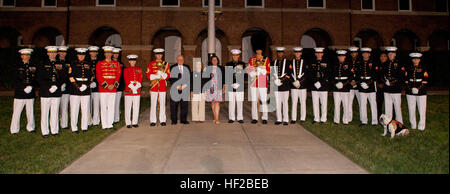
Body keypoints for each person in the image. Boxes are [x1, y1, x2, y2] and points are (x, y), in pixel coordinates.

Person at [37, 46, 66, 137]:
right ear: (48, 53)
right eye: (51, 52)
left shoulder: (60, 64)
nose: (52, 54)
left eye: (54, 53)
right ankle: (45, 131)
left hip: (56, 91)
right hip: (45, 92)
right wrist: (49, 86)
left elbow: (63, 77)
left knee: (55, 112)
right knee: (45, 112)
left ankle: (54, 130)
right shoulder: (42, 64)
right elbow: (39, 78)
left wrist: (57, 86)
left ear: (56, 53)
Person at [10, 48, 37, 134]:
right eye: (25, 55)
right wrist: (23, 88)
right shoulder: (17, 66)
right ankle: (14, 129)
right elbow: (15, 79)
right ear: (21, 56)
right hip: (20, 93)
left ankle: (31, 127)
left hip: (30, 92)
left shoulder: (33, 66)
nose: (27, 56)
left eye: (28, 55)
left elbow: (36, 78)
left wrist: (31, 86)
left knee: (30, 111)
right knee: (17, 111)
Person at [96, 46, 121, 130]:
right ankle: (104, 124)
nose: (108, 54)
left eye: (110, 53)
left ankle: (110, 123)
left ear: (112, 54)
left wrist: (113, 85)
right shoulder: (100, 63)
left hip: (113, 88)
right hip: (103, 89)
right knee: (103, 106)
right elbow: (99, 76)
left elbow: (118, 75)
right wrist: (106, 85)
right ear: (104, 54)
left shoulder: (116, 64)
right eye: (107, 53)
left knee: (111, 106)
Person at [68, 48, 92, 133]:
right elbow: (71, 76)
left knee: (85, 109)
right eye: (80, 55)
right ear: (77, 55)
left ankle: (84, 127)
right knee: (74, 109)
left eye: (83, 55)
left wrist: (86, 85)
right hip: (75, 90)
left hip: (86, 90)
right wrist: (78, 86)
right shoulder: (73, 64)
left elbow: (91, 76)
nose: (81, 56)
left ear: (85, 56)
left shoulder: (88, 64)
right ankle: (74, 127)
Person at [380, 46, 404, 123]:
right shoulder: (385, 64)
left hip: (396, 89)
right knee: (388, 108)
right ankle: (388, 123)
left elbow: (401, 76)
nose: (390, 55)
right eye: (389, 53)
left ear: (395, 54)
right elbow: (381, 75)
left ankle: (399, 123)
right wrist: (385, 81)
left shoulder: (399, 64)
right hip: (387, 90)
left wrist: (392, 82)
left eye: (392, 53)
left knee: (397, 107)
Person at [146, 48, 170, 126]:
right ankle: (153, 120)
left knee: (163, 103)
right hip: (154, 86)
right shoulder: (151, 64)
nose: (159, 56)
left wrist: (162, 74)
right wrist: (155, 76)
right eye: (157, 54)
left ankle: (162, 120)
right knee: (153, 103)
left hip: (162, 86)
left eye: (160, 54)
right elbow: (148, 74)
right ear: (155, 55)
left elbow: (168, 75)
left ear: (162, 55)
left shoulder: (166, 64)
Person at [405, 52, 429, 131]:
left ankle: (421, 126)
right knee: (411, 108)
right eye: (414, 59)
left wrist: (418, 89)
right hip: (410, 91)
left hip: (421, 92)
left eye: (417, 59)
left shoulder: (423, 68)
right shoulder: (408, 68)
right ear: (412, 60)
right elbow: (406, 80)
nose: (415, 60)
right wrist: (411, 88)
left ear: (419, 60)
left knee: (421, 109)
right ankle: (413, 125)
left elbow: (425, 80)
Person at [247, 47, 270, 124]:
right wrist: (254, 73)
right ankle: (254, 117)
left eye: (260, 49)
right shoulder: (251, 60)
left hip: (263, 83)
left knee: (263, 101)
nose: (259, 51)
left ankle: (264, 117)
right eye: (257, 49)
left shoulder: (266, 59)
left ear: (262, 50)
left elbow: (268, 70)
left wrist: (262, 70)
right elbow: (249, 71)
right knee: (254, 101)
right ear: (256, 50)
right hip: (254, 83)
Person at [356, 48, 378, 126]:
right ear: (362, 54)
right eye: (364, 53)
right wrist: (361, 83)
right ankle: (364, 121)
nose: (365, 55)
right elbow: (357, 74)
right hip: (362, 85)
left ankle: (374, 121)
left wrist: (368, 84)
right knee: (362, 103)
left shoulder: (373, 63)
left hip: (371, 85)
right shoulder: (359, 63)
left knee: (373, 103)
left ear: (369, 54)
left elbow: (375, 75)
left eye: (367, 53)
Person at [310, 47, 330, 124]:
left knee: (323, 103)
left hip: (323, 85)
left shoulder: (326, 62)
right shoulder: (312, 62)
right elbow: (310, 73)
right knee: (315, 102)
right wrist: (315, 82)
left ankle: (323, 118)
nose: (319, 55)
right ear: (315, 54)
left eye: (320, 53)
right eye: (317, 53)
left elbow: (328, 74)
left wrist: (321, 82)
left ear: (322, 54)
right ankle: (316, 118)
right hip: (314, 85)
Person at [225, 49, 246, 124]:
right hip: (231, 86)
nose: (235, 57)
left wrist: (239, 83)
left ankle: (240, 117)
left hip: (240, 86)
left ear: (239, 56)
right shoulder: (228, 64)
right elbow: (227, 75)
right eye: (234, 55)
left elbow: (244, 75)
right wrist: (231, 83)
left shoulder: (242, 64)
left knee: (240, 102)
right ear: (232, 56)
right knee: (231, 102)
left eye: (236, 55)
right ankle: (231, 118)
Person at [272, 47, 291, 125]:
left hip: (285, 86)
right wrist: (274, 80)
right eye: (278, 53)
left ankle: (286, 119)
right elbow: (272, 73)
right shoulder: (274, 63)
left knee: (285, 103)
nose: (280, 54)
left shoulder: (288, 63)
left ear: (283, 53)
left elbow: (289, 74)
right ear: (277, 53)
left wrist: (281, 80)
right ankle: (279, 119)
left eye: (281, 53)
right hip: (277, 86)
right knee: (278, 103)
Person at [169, 55, 191, 125]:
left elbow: (189, 78)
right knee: (173, 106)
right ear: (177, 60)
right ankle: (174, 120)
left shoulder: (187, 67)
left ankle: (183, 120)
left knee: (184, 105)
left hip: (185, 89)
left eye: (182, 59)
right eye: (179, 59)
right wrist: (177, 86)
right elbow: (171, 78)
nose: (180, 61)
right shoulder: (172, 67)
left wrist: (184, 86)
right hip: (175, 89)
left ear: (183, 60)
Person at [332, 50, 352, 125]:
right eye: (339, 56)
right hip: (336, 87)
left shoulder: (348, 65)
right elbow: (332, 76)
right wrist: (335, 84)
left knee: (345, 104)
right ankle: (336, 120)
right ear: (338, 57)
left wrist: (344, 84)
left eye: (342, 56)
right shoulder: (335, 64)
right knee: (336, 104)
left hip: (345, 87)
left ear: (345, 57)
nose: (341, 57)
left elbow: (351, 76)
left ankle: (345, 120)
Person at [124, 54, 143, 128]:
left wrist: (137, 86)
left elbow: (140, 78)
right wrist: (132, 87)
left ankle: (135, 122)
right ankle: (128, 122)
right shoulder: (126, 70)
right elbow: (126, 79)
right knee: (128, 107)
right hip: (129, 90)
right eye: (131, 60)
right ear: (129, 61)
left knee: (136, 106)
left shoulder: (139, 69)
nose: (133, 62)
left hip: (137, 90)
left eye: (134, 60)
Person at [290, 47, 308, 123]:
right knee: (294, 102)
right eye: (296, 52)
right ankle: (293, 118)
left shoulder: (305, 62)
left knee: (302, 102)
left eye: (299, 52)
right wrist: (293, 82)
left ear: (301, 53)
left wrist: (300, 82)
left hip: (302, 86)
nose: (297, 54)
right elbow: (289, 73)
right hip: (294, 86)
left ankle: (302, 118)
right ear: (294, 53)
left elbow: (306, 74)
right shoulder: (291, 62)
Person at [205, 56, 225, 124]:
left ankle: (217, 118)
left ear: (218, 61)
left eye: (215, 60)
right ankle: (215, 117)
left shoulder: (221, 68)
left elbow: (224, 78)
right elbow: (206, 79)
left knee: (217, 102)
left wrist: (224, 87)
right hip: (211, 87)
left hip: (219, 87)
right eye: (213, 60)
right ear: (211, 61)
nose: (214, 61)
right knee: (213, 102)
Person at [57, 46, 70, 129]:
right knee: (56, 108)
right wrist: (59, 84)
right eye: (61, 52)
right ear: (58, 53)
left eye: (64, 52)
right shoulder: (55, 62)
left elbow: (70, 75)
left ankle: (64, 124)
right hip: (56, 88)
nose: (63, 54)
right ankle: (55, 124)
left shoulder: (69, 62)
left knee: (64, 107)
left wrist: (66, 84)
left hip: (67, 88)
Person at [87, 46, 101, 126]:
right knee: (88, 104)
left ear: (97, 53)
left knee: (96, 104)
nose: (93, 53)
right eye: (92, 52)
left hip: (97, 86)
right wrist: (89, 82)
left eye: (95, 52)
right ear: (89, 53)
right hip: (88, 86)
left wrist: (96, 82)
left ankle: (96, 121)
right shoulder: (86, 62)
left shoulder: (99, 62)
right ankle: (89, 121)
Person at [347, 46, 361, 123]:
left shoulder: (361, 62)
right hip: (350, 85)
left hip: (358, 85)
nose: (353, 54)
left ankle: (362, 118)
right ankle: (349, 118)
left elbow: (361, 73)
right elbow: (347, 73)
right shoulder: (348, 62)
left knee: (361, 103)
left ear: (357, 53)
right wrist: (350, 81)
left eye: (354, 53)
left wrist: (356, 81)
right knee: (349, 102)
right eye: (352, 53)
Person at [113, 47, 125, 124]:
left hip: (119, 86)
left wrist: (121, 85)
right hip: (110, 86)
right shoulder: (109, 63)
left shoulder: (121, 64)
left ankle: (116, 118)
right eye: (114, 53)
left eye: (117, 53)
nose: (116, 55)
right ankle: (111, 117)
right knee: (111, 103)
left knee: (117, 102)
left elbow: (122, 76)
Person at [376, 52, 388, 119]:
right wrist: (377, 84)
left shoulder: (389, 65)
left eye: (384, 56)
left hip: (386, 87)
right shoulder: (378, 65)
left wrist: (384, 84)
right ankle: (379, 118)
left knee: (388, 105)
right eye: (381, 56)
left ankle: (390, 118)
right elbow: (375, 76)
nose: (382, 58)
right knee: (379, 104)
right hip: (379, 87)